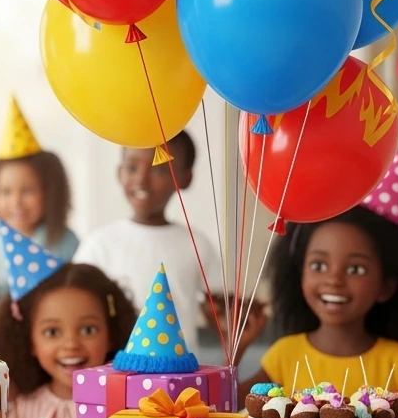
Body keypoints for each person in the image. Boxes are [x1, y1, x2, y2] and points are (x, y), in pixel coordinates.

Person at [239, 145, 398, 418]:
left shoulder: (395, 359)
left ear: (386, 287)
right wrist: (238, 346)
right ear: (298, 272)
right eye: (319, 265)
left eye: (356, 269)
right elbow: (232, 402)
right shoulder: (286, 354)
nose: (334, 280)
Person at [74, 129, 263, 353]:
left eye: (160, 170)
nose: (141, 179)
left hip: (182, 375)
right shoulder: (98, 245)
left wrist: (239, 321)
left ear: (185, 178)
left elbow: (219, 309)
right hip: (116, 371)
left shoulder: (197, 244)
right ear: (119, 172)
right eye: (132, 167)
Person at [0, 226, 135, 418]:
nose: (71, 344)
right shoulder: (18, 412)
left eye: (88, 330)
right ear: (29, 340)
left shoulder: (126, 410)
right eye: (52, 332)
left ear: (112, 334)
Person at [0, 98, 77, 303]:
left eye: (27, 191)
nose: (16, 202)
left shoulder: (66, 243)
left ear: (50, 193)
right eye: (5, 192)